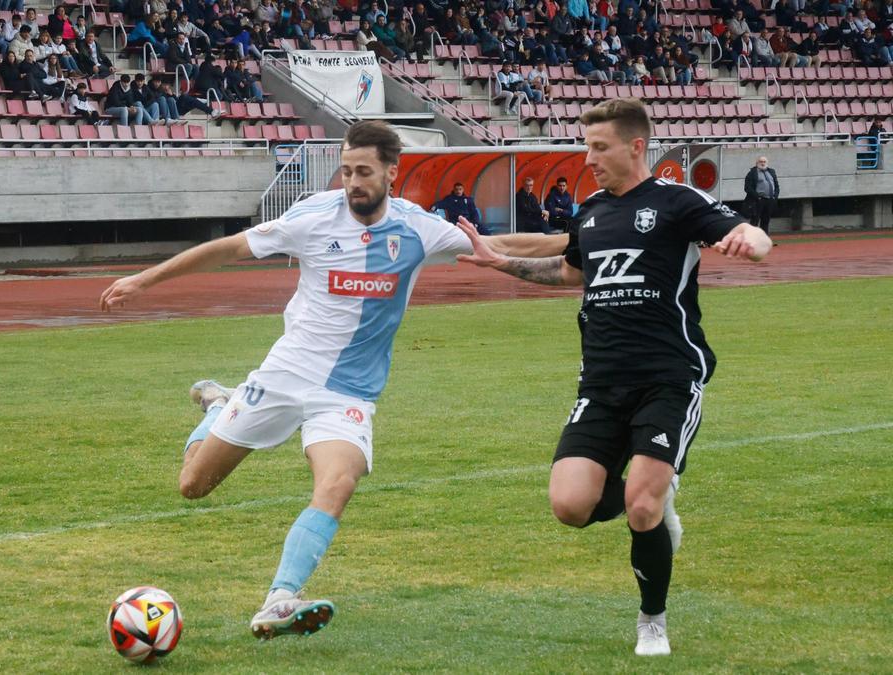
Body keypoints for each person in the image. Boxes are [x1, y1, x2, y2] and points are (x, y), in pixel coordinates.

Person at [98, 121, 480, 641]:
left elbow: (496, 246)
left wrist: (581, 250)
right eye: (346, 171)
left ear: (393, 171)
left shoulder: (419, 229)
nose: (352, 182)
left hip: (348, 392)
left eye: (363, 172)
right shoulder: (312, 217)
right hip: (283, 376)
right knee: (193, 485)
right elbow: (229, 249)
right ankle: (218, 405)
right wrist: (143, 279)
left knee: (338, 482)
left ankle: (280, 597)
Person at [453, 97, 771, 658]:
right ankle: (652, 490)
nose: (589, 159)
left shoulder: (676, 201)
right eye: (587, 147)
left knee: (643, 510)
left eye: (599, 148)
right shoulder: (592, 208)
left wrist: (752, 240)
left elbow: (748, 231)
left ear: (636, 146)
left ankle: (653, 620)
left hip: (668, 377)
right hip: (599, 382)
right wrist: (498, 261)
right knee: (570, 506)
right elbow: (570, 271)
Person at [743, 156, 779, 233]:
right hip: (758, 201)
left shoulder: (771, 172)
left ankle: (764, 240)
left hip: (770, 200)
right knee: (755, 221)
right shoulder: (752, 173)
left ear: (767, 163)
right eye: (761, 161)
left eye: (764, 162)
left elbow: (776, 186)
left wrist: (775, 196)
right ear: (757, 163)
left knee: (766, 221)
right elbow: (747, 188)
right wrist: (757, 197)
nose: (762, 163)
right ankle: (752, 241)